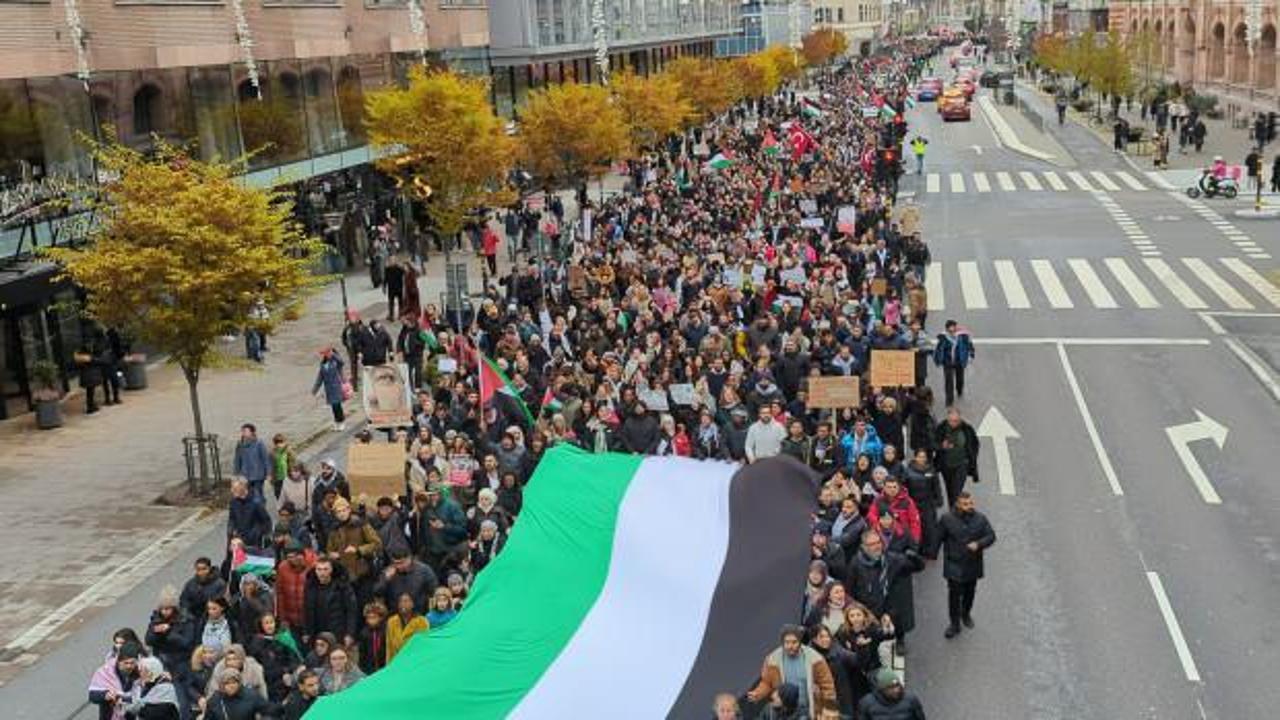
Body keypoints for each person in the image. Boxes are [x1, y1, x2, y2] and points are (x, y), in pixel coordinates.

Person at [933, 491, 997, 639]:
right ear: (958, 504)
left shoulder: (980, 519)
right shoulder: (947, 519)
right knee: (954, 595)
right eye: (965, 504)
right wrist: (932, 555)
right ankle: (954, 624)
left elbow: (991, 536)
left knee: (970, 592)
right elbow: (938, 537)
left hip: (972, 563)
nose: (969, 506)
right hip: (953, 562)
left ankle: (966, 613)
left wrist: (979, 543)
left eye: (970, 503)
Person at [745, 625, 837, 718]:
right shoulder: (772, 660)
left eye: (794, 642)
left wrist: (829, 707)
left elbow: (827, 685)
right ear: (782, 643)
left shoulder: (815, 659)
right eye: (787, 642)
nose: (790, 646)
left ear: (800, 642)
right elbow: (766, 682)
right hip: (786, 711)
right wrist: (758, 693)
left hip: (810, 708)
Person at [933, 408, 980, 509]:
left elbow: (975, 444)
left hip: (961, 465)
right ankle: (952, 510)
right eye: (950, 421)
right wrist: (942, 446)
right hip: (946, 465)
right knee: (950, 490)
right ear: (947, 419)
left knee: (957, 491)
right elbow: (933, 443)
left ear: (960, 419)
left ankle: (956, 513)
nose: (953, 423)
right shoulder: (941, 428)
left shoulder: (967, 429)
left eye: (956, 421)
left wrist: (969, 459)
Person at [200, 667, 277, 720]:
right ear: (221, 685)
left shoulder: (251, 696)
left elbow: (270, 710)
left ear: (239, 683)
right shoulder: (215, 699)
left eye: (234, 682)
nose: (231, 686)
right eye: (227, 683)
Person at [88, 640, 139, 720]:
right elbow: (92, 695)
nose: (129, 666)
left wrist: (123, 698)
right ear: (119, 661)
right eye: (126, 663)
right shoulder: (105, 672)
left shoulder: (142, 672)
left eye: (132, 663)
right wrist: (105, 695)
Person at [932, 319, 974, 407]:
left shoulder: (963, 336)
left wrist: (971, 355)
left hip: (959, 361)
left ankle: (959, 390)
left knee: (960, 378)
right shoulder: (943, 337)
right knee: (948, 381)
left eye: (953, 328)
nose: (952, 330)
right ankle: (949, 400)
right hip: (947, 362)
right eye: (950, 329)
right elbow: (939, 349)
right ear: (947, 329)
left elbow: (969, 345)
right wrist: (937, 359)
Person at [856, 668, 927, 719]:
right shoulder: (866, 703)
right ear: (882, 689)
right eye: (890, 688)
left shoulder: (911, 699)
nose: (896, 690)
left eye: (897, 685)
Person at [227, 477, 272, 549]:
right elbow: (232, 518)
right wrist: (230, 532)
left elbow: (266, 521)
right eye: (232, 488)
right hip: (238, 540)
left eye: (235, 488)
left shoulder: (256, 502)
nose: (231, 490)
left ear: (243, 487)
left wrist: (257, 534)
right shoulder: (233, 502)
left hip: (254, 542)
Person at [233, 423, 272, 505]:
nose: (243, 433)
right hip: (245, 475)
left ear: (252, 432)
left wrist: (268, 473)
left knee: (258, 495)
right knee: (247, 495)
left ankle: (261, 511)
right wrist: (236, 473)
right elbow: (237, 459)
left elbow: (265, 459)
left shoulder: (259, 443)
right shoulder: (240, 444)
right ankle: (252, 512)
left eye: (245, 431)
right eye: (242, 431)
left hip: (258, 475)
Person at [386, 591, 429, 663]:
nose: (403, 604)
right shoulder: (391, 621)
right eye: (400, 601)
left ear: (413, 604)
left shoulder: (422, 621)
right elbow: (389, 647)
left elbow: (424, 645)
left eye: (406, 601)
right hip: (397, 663)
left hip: (414, 661)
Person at [312, 347, 348, 431]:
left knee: (337, 406)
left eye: (328, 353)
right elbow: (320, 378)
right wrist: (315, 389)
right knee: (333, 407)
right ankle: (337, 422)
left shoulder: (336, 362)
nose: (327, 355)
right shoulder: (323, 364)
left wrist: (333, 354)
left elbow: (341, 362)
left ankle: (341, 422)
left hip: (337, 387)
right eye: (325, 354)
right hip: (329, 389)